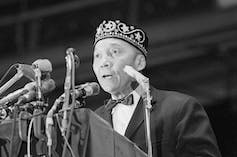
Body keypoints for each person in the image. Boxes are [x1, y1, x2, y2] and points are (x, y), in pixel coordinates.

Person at [93, 20, 221, 157]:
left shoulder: (178, 107)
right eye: (97, 56)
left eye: (114, 51)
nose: (103, 63)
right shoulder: (93, 122)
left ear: (139, 62)